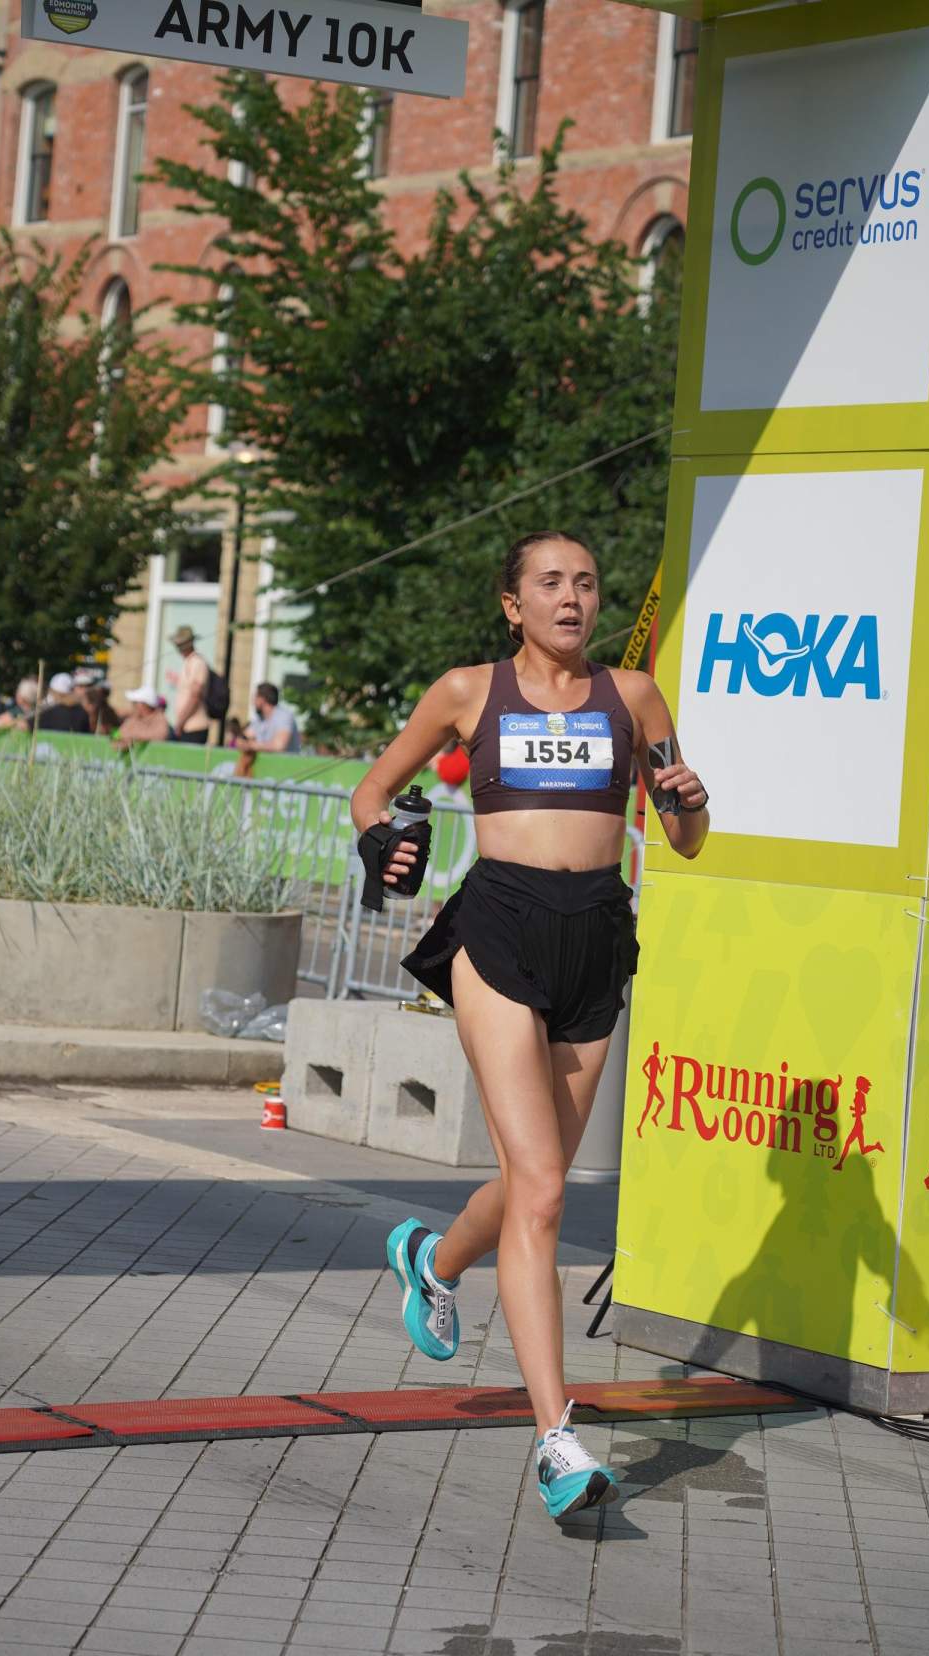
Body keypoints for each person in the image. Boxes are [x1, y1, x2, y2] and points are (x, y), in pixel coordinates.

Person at [351, 530, 709, 1523]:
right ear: (512, 603)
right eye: (550, 583)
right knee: (546, 1187)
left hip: (596, 935)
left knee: (526, 1177)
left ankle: (435, 1260)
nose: (572, 598)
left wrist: (688, 801)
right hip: (499, 928)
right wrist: (387, 840)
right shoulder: (467, 691)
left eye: (586, 583)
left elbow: (683, 832)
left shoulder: (635, 698)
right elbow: (373, 791)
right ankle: (557, 1438)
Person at [167, 626, 212, 745]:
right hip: (186, 726)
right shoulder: (188, 662)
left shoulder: (198, 663)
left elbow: (195, 696)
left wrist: (180, 722)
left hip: (195, 727)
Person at [234, 682, 303, 754]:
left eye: (255, 697)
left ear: (262, 699)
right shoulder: (260, 720)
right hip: (268, 764)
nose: (253, 701)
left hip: (286, 764)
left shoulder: (284, 717)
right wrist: (243, 741)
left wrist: (252, 745)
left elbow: (279, 746)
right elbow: (244, 737)